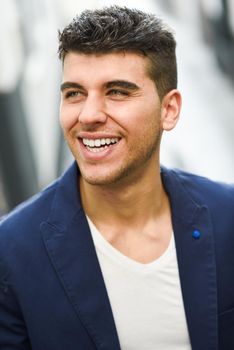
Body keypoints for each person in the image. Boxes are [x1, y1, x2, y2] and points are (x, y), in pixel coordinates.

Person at [0, 5, 233, 350]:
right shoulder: (12, 252)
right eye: (74, 93)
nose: (89, 115)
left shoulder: (227, 218)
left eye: (117, 92)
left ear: (168, 110)